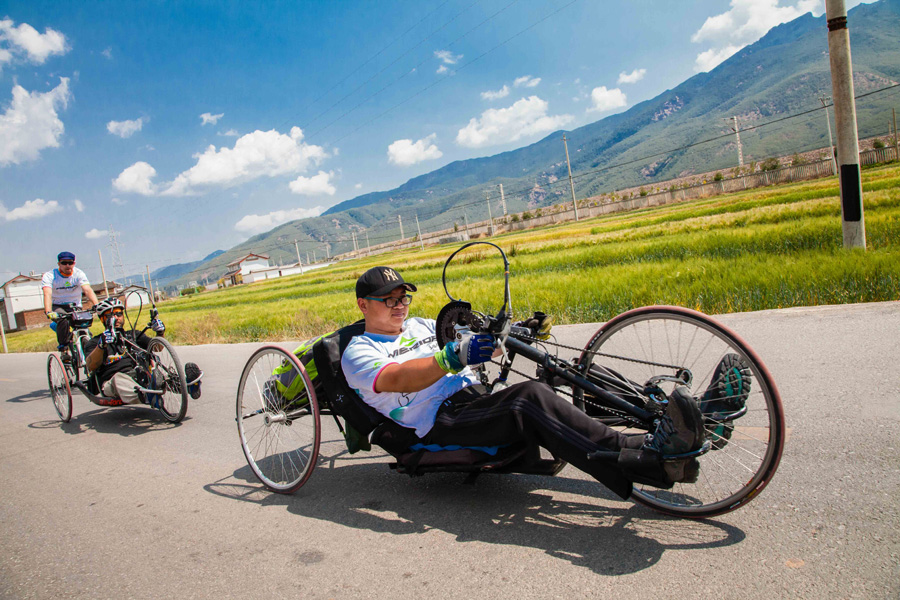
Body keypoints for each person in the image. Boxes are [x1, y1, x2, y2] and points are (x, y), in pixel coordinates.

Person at [340, 266, 707, 499]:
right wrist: (453, 357)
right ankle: (651, 462)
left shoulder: (420, 324)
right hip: (438, 419)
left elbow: (482, 346)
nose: (400, 304)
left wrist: (516, 334)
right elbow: (397, 378)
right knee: (528, 398)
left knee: (561, 370)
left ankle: (688, 417)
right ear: (363, 305)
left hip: (475, 396)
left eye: (403, 296)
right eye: (388, 300)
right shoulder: (359, 351)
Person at [83, 298, 166, 405]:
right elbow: (90, 365)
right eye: (110, 315)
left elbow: (158, 347)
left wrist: (160, 333)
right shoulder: (95, 342)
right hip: (113, 382)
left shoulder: (133, 335)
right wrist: (101, 345)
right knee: (119, 379)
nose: (116, 318)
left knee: (159, 375)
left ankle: (189, 384)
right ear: (102, 319)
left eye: (118, 314)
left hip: (140, 376)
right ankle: (147, 396)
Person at [42, 251, 100, 357]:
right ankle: (64, 350)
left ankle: (88, 348)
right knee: (63, 320)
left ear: (74, 263)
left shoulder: (79, 274)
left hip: (75, 305)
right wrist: (48, 311)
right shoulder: (50, 276)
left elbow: (87, 290)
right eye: (64, 263)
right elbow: (47, 294)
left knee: (83, 325)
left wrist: (97, 304)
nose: (68, 265)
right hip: (58, 306)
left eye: (70, 263)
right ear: (59, 264)